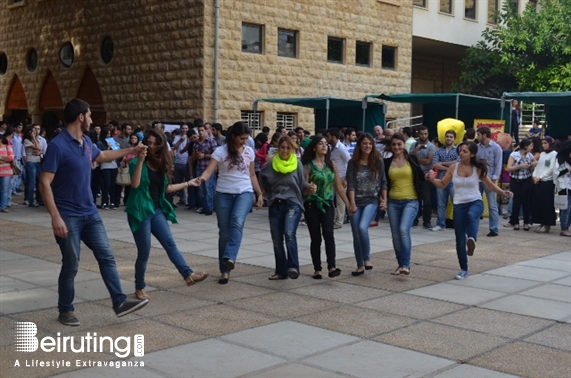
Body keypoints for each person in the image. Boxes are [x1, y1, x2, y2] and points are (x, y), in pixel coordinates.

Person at [39, 99, 149, 326]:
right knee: (71, 265)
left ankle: (120, 302)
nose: (91, 119)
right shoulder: (58, 146)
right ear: (81, 117)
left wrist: (132, 150)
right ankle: (65, 310)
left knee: (106, 256)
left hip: (90, 213)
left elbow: (102, 156)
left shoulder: (87, 142)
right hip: (68, 216)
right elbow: (44, 182)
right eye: (89, 115)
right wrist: (55, 216)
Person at [126, 129, 208, 300]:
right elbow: (134, 185)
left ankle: (188, 275)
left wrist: (188, 183)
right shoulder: (136, 162)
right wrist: (140, 160)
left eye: (156, 143)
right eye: (148, 142)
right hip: (140, 211)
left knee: (170, 243)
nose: (152, 146)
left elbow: (166, 189)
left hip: (156, 210)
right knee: (144, 251)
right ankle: (139, 287)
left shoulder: (160, 163)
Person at [426, 142, 512, 279]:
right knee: (459, 240)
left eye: (464, 151)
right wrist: (431, 179)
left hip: (475, 202)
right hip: (459, 205)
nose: (461, 153)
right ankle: (464, 269)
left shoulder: (477, 169)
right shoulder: (453, 168)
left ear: (472, 154)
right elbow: (442, 184)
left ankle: (472, 239)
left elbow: (490, 186)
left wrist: (503, 193)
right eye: (460, 151)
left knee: (472, 216)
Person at [195, 122, 264, 285]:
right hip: (223, 194)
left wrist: (259, 193)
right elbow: (209, 170)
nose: (245, 141)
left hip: (245, 193)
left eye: (247, 138)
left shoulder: (249, 152)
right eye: (242, 138)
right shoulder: (220, 151)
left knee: (237, 222)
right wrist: (202, 178)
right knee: (224, 233)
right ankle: (224, 270)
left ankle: (230, 257)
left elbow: (252, 174)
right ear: (233, 136)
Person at [259, 135, 315, 280]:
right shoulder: (269, 166)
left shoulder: (298, 165)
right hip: (275, 203)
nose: (285, 150)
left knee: (289, 233)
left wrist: (310, 187)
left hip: (292, 202)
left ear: (293, 149)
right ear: (278, 149)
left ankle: (293, 267)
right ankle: (281, 271)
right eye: (282, 147)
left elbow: (302, 185)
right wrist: (263, 193)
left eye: (288, 148)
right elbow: (261, 179)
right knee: (277, 240)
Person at [302, 136, 353, 279]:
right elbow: (304, 188)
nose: (324, 146)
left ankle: (332, 266)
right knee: (316, 238)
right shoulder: (307, 166)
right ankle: (317, 268)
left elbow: (339, 186)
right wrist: (309, 189)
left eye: (326, 144)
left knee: (329, 235)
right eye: (320, 143)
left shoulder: (331, 164)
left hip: (328, 204)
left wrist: (348, 204)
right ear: (314, 147)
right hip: (312, 204)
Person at [384, 133, 424, 276]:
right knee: (395, 235)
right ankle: (400, 264)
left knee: (403, 230)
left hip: (411, 200)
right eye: (394, 144)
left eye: (399, 144)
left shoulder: (411, 159)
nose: (396, 147)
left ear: (404, 144)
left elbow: (421, 175)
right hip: (393, 202)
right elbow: (384, 183)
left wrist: (430, 176)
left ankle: (406, 264)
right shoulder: (387, 162)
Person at [347, 134, 387, 276]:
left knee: (362, 227)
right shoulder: (353, 163)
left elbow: (383, 182)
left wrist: (384, 200)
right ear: (359, 145)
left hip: (371, 200)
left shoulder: (378, 161)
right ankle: (359, 265)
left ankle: (367, 259)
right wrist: (351, 203)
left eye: (370, 143)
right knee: (356, 234)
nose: (368, 146)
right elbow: (350, 184)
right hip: (356, 200)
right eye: (364, 143)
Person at [476, 127, 503, 237]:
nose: (477, 137)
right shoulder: (476, 147)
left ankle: (494, 229)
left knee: (492, 205)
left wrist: (494, 180)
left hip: (490, 178)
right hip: (477, 179)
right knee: (476, 203)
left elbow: (498, 165)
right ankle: (474, 227)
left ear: (484, 135)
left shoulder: (496, 148)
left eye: (478, 134)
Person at [505, 139, 535, 230]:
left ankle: (526, 222)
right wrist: (520, 166)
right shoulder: (514, 155)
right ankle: (515, 222)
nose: (531, 147)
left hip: (526, 179)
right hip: (515, 180)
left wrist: (533, 163)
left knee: (526, 201)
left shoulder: (529, 155)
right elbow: (508, 168)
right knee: (516, 201)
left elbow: (535, 161)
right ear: (525, 146)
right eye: (530, 146)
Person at [409, 125, 435, 229]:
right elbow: (409, 157)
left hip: (426, 175)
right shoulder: (414, 144)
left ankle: (427, 221)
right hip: (415, 175)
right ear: (418, 134)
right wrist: (415, 151)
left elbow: (428, 161)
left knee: (427, 199)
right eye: (421, 134)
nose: (423, 136)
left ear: (428, 134)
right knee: (416, 199)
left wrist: (415, 159)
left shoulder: (431, 146)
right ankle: (415, 219)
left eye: (425, 134)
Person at [431, 130, 458, 231]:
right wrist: (449, 168)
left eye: (451, 137)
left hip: (454, 181)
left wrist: (442, 163)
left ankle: (458, 224)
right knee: (440, 204)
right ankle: (440, 224)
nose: (449, 138)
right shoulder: (439, 150)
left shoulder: (458, 150)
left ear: (454, 138)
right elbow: (435, 164)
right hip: (441, 180)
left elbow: (457, 163)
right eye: (447, 136)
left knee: (456, 204)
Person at [325, 128, 351, 229]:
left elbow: (350, 162)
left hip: (341, 176)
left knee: (340, 200)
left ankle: (339, 221)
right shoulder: (331, 148)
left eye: (328, 136)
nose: (327, 139)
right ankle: (334, 218)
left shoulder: (341, 148)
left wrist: (347, 179)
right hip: (333, 176)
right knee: (331, 198)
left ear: (334, 137)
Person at [531, 136, 558, 233]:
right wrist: (534, 176)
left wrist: (540, 177)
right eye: (542, 143)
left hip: (547, 181)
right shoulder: (542, 154)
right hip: (538, 182)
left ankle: (547, 224)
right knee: (539, 203)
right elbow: (538, 166)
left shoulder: (554, 154)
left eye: (545, 143)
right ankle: (541, 222)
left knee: (547, 204)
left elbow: (551, 168)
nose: (543, 145)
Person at [554, 141, 571, 237]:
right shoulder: (560, 159)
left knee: (570, 209)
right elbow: (556, 173)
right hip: (563, 186)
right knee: (565, 208)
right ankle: (564, 228)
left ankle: (567, 227)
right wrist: (567, 170)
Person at [23, 125, 42, 207]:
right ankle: (30, 200)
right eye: (33, 130)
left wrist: (39, 152)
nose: (34, 132)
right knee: (31, 182)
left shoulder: (36, 139)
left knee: (39, 181)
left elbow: (40, 149)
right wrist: (34, 138)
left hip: (38, 161)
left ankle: (39, 199)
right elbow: (37, 147)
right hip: (31, 162)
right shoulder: (27, 140)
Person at [0, 126, 15, 213]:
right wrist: (4, 158)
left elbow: (11, 158)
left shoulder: (7, 147)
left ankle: (3, 206)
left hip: (6, 172)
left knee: (5, 190)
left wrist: (1, 158)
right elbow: (8, 158)